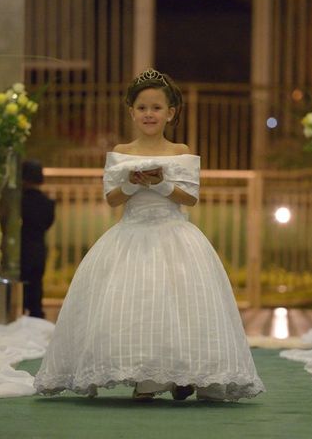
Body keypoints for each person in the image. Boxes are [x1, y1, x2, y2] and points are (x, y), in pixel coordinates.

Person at [34, 68, 264, 401]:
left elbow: (191, 197)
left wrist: (162, 182)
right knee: (135, 306)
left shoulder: (179, 150)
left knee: (181, 306)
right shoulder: (121, 150)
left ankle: (184, 374)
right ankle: (147, 377)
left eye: (157, 108)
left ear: (171, 113)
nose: (149, 114)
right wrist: (132, 181)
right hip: (130, 234)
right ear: (131, 112)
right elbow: (112, 199)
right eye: (142, 108)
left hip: (175, 234)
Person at [21, 160, 55, 319]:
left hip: (22, 245)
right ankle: (36, 313)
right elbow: (48, 223)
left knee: (23, 283)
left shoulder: (19, 201)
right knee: (36, 282)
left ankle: (21, 310)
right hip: (39, 245)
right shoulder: (47, 203)